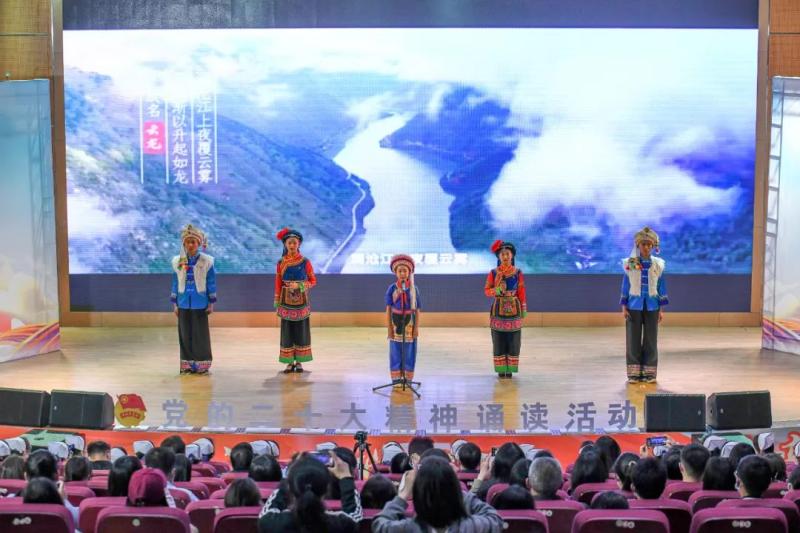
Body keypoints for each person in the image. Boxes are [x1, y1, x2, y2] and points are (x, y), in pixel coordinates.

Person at [373, 456, 503, 532]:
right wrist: (451, 484)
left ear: (418, 494)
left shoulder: (408, 529)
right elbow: (495, 518)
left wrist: (403, 495)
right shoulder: (470, 527)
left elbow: (379, 524)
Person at [257, 453, 362, 533]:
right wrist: (345, 477)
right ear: (327, 489)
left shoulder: (272, 523)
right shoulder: (341, 525)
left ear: (289, 487)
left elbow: (268, 510)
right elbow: (354, 515)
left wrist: (292, 473)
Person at [620, 226, 668, 383]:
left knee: (651, 340)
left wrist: (661, 309)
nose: (646, 247)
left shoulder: (658, 264)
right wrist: (624, 306)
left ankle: (649, 372)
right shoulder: (633, 263)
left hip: (652, 306)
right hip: (634, 306)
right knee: (633, 339)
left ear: (653, 246)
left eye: (649, 245)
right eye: (643, 244)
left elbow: (661, 286)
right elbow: (626, 285)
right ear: (638, 245)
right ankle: (634, 373)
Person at [171, 224, 216, 374]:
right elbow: (175, 282)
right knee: (185, 334)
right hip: (183, 302)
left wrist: (211, 303)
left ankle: (201, 364)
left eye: (193, 242)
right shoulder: (177, 261)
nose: (190, 245)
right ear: (184, 243)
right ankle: (187, 364)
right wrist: (175, 304)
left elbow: (211, 282)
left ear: (199, 244)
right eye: (188, 242)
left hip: (200, 303)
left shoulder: (207, 261)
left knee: (200, 334)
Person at [274, 228, 317, 373]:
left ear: (299, 244)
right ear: (285, 244)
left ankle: (299, 361)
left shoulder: (305, 262)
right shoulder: (281, 262)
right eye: (289, 243)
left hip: (301, 302)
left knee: (301, 331)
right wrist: (277, 300)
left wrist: (300, 286)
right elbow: (278, 282)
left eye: (294, 243)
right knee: (287, 332)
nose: (292, 245)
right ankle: (288, 362)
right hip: (285, 301)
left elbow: (313, 281)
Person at [484, 240, 527, 378]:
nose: (505, 256)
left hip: (514, 308)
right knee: (498, 339)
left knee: (514, 340)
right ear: (498, 256)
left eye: (508, 254)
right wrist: (497, 290)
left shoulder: (518, 273)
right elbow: (486, 291)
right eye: (502, 254)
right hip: (498, 309)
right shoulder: (493, 273)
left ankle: (510, 369)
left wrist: (523, 308)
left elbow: (521, 291)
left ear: (512, 255)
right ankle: (501, 369)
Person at [386, 254, 422, 385]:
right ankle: (396, 378)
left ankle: (407, 377)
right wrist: (390, 328)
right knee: (395, 350)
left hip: (410, 322)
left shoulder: (414, 289)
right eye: (399, 271)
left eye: (405, 271)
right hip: (395, 322)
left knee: (409, 351)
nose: (402, 273)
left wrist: (416, 328)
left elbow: (417, 310)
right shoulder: (392, 289)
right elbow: (388, 308)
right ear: (395, 272)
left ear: (409, 272)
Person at [24, 450, 79, 523]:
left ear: (25, 477)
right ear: (57, 475)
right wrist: (63, 501)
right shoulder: (73, 513)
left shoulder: (10, 500)